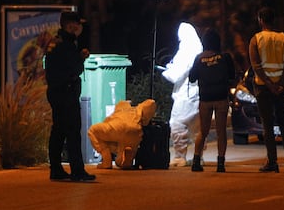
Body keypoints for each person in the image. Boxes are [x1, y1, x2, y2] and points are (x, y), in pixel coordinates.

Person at [249, 6, 284, 173]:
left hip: (263, 88)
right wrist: (280, 84)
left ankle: (272, 161)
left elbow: (256, 65)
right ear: (274, 20)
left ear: (260, 20)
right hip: (280, 88)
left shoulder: (256, 39)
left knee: (268, 125)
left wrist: (269, 84)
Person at [44, 11, 96, 181]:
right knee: (73, 132)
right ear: (70, 25)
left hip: (56, 92)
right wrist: (81, 58)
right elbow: (74, 69)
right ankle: (77, 171)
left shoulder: (55, 42)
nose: (80, 28)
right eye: (77, 24)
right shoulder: (66, 44)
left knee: (58, 131)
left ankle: (56, 169)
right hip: (66, 92)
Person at [189, 29, 235, 172]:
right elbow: (232, 76)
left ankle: (196, 160)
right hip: (221, 97)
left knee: (203, 130)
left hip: (205, 98)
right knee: (221, 131)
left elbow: (191, 78)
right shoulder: (225, 57)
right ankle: (220, 163)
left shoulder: (199, 58)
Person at [162, 22, 203, 167]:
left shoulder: (187, 49)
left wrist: (167, 71)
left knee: (177, 123)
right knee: (197, 128)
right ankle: (199, 156)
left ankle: (180, 156)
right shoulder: (198, 48)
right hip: (197, 94)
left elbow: (177, 73)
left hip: (186, 95)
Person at [88, 99, 156, 169]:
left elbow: (105, 124)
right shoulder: (137, 109)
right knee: (120, 161)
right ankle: (126, 160)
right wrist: (145, 121)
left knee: (93, 131)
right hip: (134, 130)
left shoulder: (117, 111)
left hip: (117, 126)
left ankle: (106, 161)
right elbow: (151, 102)